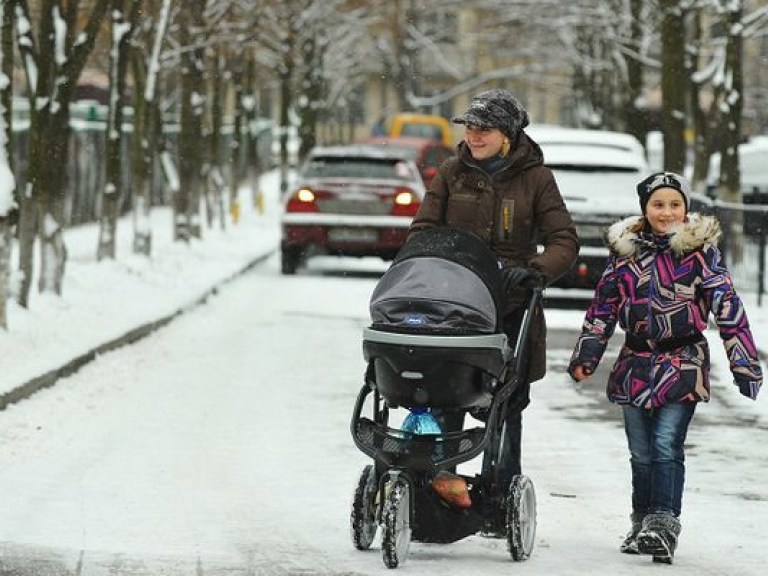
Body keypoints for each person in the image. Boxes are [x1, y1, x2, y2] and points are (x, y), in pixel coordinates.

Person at [568, 171, 763, 563]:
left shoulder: (700, 253)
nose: (667, 212)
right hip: (636, 362)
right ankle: (641, 520)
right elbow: (603, 308)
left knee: (665, 445)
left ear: (686, 209)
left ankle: (664, 523)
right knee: (640, 451)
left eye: (675, 204)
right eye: (658, 204)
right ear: (644, 208)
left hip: (682, 363)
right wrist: (586, 356)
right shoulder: (625, 254)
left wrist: (743, 363)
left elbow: (728, 309)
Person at [407, 88, 579, 507]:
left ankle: (500, 490)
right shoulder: (452, 172)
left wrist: (534, 271)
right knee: (442, 392)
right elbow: (423, 230)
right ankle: (438, 485)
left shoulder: (537, 179)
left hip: (509, 304)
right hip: (452, 302)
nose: (475, 136)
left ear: (508, 134)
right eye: (470, 128)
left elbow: (564, 240)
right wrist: (426, 267)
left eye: (485, 129)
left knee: (504, 403)